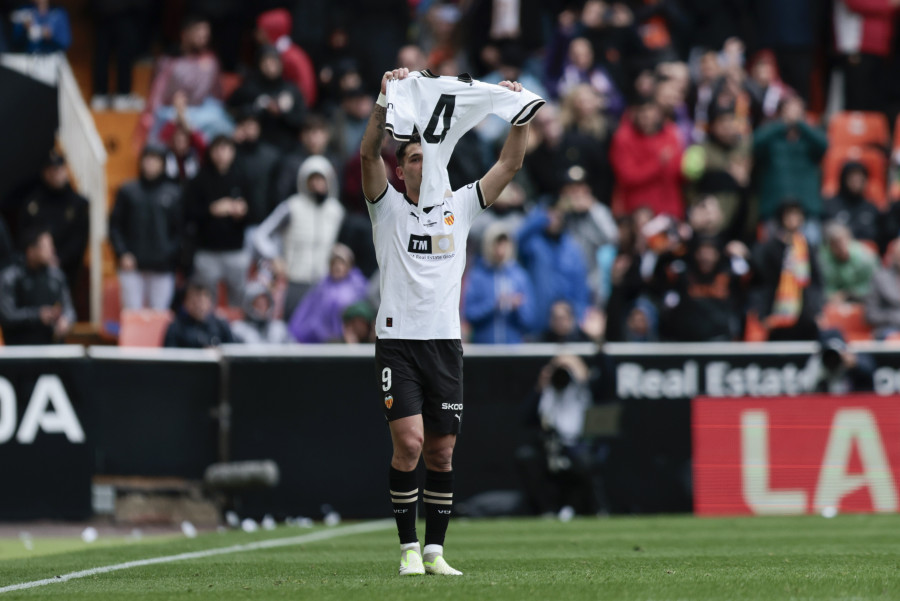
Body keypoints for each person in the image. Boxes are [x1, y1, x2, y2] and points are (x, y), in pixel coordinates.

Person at [361, 67, 538, 576]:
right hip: (398, 342)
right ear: (403, 170)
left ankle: (435, 551)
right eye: (415, 158)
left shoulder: (459, 208)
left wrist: (517, 114)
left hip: (445, 345)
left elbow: (509, 163)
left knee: (441, 453)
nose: (424, 163)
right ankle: (407, 549)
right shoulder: (387, 210)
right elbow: (367, 154)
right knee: (410, 443)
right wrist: (383, 99)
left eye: (429, 155)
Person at [254, 155, 345, 320]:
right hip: (294, 282)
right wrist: (274, 256)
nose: (318, 185)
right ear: (304, 180)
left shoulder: (336, 211)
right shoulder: (291, 207)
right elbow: (260, 235)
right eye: (313, 179)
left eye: (322, 179)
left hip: (323, 283)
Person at [108, 144, 182, 311]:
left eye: (156, 159)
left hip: (162, 267)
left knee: (159, 317)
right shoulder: (128, 190)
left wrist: (170, 256)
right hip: (132, 266)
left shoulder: (174, 193)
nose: (150, 163)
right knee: (132, 315)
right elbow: (114, 226)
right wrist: (122, 253)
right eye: (147, 158)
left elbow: (180, 231)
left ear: (163, 163)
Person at [183, 135, 251, 306]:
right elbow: (188, 213)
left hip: (235, 249)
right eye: (218, 149)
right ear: (211, 152)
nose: (222, 154)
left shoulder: (242, 176)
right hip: (207, 250)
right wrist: (211, 210)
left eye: (227, 149)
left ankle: (237, 331)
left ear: (233, 152)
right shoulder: (199, 179)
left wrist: (242, 212)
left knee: (238, 298)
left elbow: (256, 212)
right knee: (205, 298)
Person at [16, 151, 89, 312]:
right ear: (44, 173)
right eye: (51, 170)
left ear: (66, 170)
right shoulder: (33, 202)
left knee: (64, 308)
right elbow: (24, 233)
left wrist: (58, 258)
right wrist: (38, 255)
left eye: (59, 169)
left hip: (66, 266)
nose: (55, 174)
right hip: (35, 267)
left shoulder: (78, 203)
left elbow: (80, 238)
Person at [143, 15, 232, 143]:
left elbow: (217, 95)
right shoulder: (169, 61)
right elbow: (156, 97)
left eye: (205, 34)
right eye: (198, 32)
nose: (203, 37)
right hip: (170, 112)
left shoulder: (211, 61)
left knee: (222, 124)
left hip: (202, 112)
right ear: (185, 34)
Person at [752, 198, 823, 341]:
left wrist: (816, 310)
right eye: (789, 215)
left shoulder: (808, 246)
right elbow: (762, 283)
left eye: (797, 215)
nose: (793, 219)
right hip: (777, 313)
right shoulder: (769, 248)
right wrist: (763, 314)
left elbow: (816, 281)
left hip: (804, 314)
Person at [610, 97, 685, 218]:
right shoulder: (623, 138)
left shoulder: (671, 133)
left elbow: (678, 173)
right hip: (638, 211)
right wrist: (658, 164)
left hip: (670, 209)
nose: (648, 119)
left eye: (652, 114)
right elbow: (627, 176)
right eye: (644, 114)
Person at [463, 224, 536, 344]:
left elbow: (530, 320)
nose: (500, 250)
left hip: (513, 349)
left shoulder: (519, 276)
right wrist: (493, 305)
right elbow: (469, 314)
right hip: (484, 349)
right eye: (496, 244)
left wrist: (517, 307)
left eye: (504, 244)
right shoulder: (478, 276)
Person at [0, 229, 74, 345]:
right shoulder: (10, 278)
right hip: (20, 349)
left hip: (52, 347)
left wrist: (65, 320)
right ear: (31, 251)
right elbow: (7, 316)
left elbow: (69, 309)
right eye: (46, 247)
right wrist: (37, 316)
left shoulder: (56, 276)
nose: (52, 250)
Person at [227, 47, 306, 153]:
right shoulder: (249, 88)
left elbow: (302, 119)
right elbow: (231, 109)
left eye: (273, 62)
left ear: (280, 64)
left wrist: (282, 112)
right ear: (259, 65)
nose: (270, 67)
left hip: (287, 146)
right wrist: (256, 109)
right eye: (265, 62)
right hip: (255, 146)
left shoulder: (290, 89)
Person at [288, 244, 368, 343]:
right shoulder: (321, 287)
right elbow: (308, 314)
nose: (337, 267)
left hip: (349, 340)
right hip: (322, 340)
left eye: (341, 263)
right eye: (334, 263)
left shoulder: (358, 286)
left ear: (348, 265)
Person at [822, 162, 880, 247]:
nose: (856, 182)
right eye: (852, 178)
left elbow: (878, 236)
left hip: (867, 254)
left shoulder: (871, 208)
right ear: (844, 179)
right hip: (839, 253)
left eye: (860, 178)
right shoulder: (830, 205)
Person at [818, 222, 878, 303]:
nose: (840, 246)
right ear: (829, 245)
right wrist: (832, 294)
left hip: (864, 297)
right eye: (835, 244)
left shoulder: (865, 257)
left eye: (842, 241)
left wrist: (850, 294)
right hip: (836, 300)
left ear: (850, 239)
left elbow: (876, 283)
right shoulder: (823, 259)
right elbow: (824, 284)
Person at [163, 280, 234, 348]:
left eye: (202, 301)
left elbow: (233, 350)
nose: (198, 306)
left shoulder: (220, 325)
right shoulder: (176, 327)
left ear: (210, 302)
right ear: (185, 303)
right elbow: (170, 354)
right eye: (194, 301)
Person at [865, 238, 900, 339]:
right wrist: (894, 316)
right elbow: (870, 315)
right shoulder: (879, 279)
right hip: (888, 329)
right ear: (892, 256)